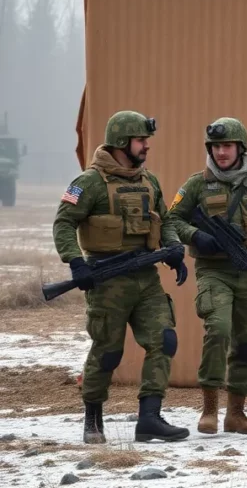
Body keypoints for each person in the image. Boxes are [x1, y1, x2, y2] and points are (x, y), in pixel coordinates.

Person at [52, 110, 191, 444]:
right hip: (107, 280)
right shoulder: (87, 183)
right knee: (108, 350)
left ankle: (149, 418)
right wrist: (76, 263)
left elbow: (167, 219)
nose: (146, 147)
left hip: (146, 277)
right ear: (120, 142)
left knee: (164, 340)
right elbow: (63, 223)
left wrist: (173, 248)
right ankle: (93, 418)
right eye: (141, 140)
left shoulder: (149, 181)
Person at [167, 117, 247, 436]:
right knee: (219, 328)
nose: (221, 152)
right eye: (215, 147)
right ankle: (209, 408)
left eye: (227, 146)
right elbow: (172, 221)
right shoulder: (197, 184)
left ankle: (236, 413)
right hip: (214, 271)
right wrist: (197, 237)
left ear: (241, 148)